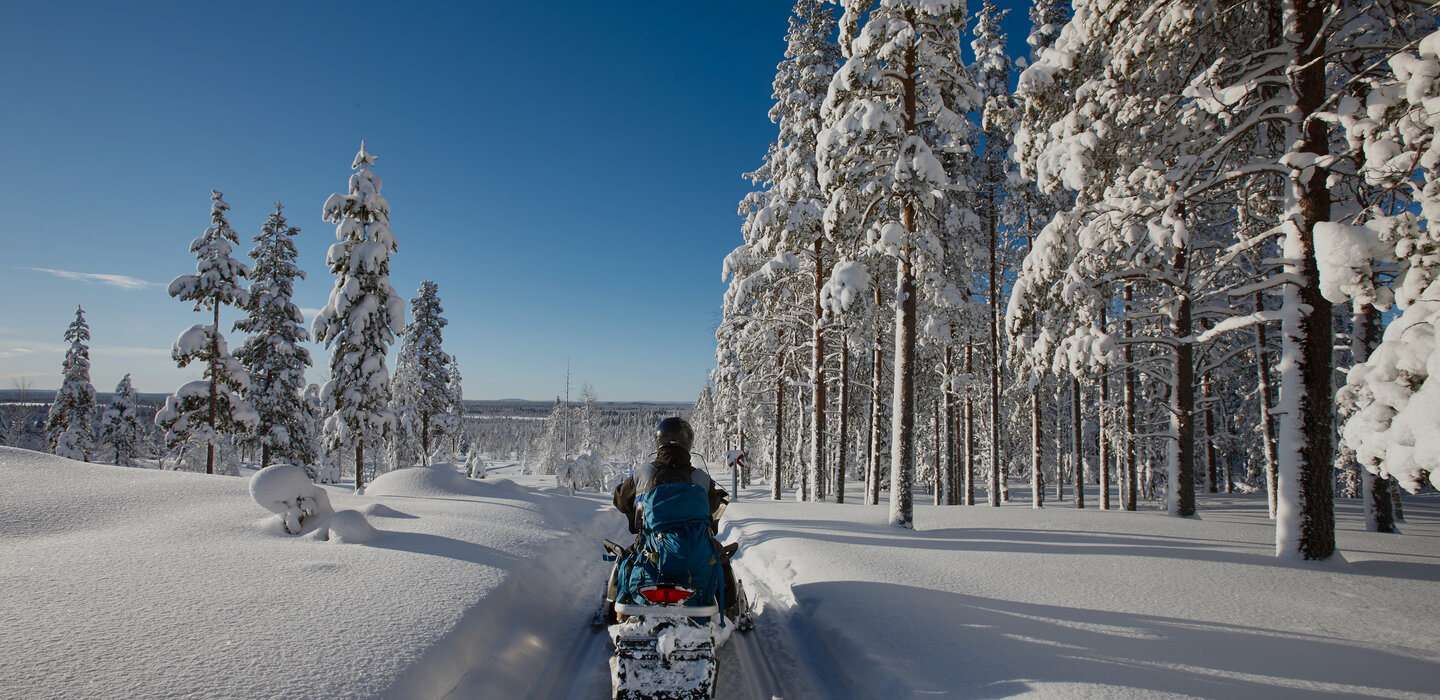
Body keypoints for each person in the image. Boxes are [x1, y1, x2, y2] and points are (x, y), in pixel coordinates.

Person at [607, 417, 739, 619]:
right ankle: (730, 608)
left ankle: (611, 607)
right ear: (688, 442)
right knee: (721, 559)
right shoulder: (701, 478)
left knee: (625, 559)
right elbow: (713, 508)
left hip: (652, 546)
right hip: (694, 545)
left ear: (659, 441)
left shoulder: (643, 473)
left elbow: (621, 501)